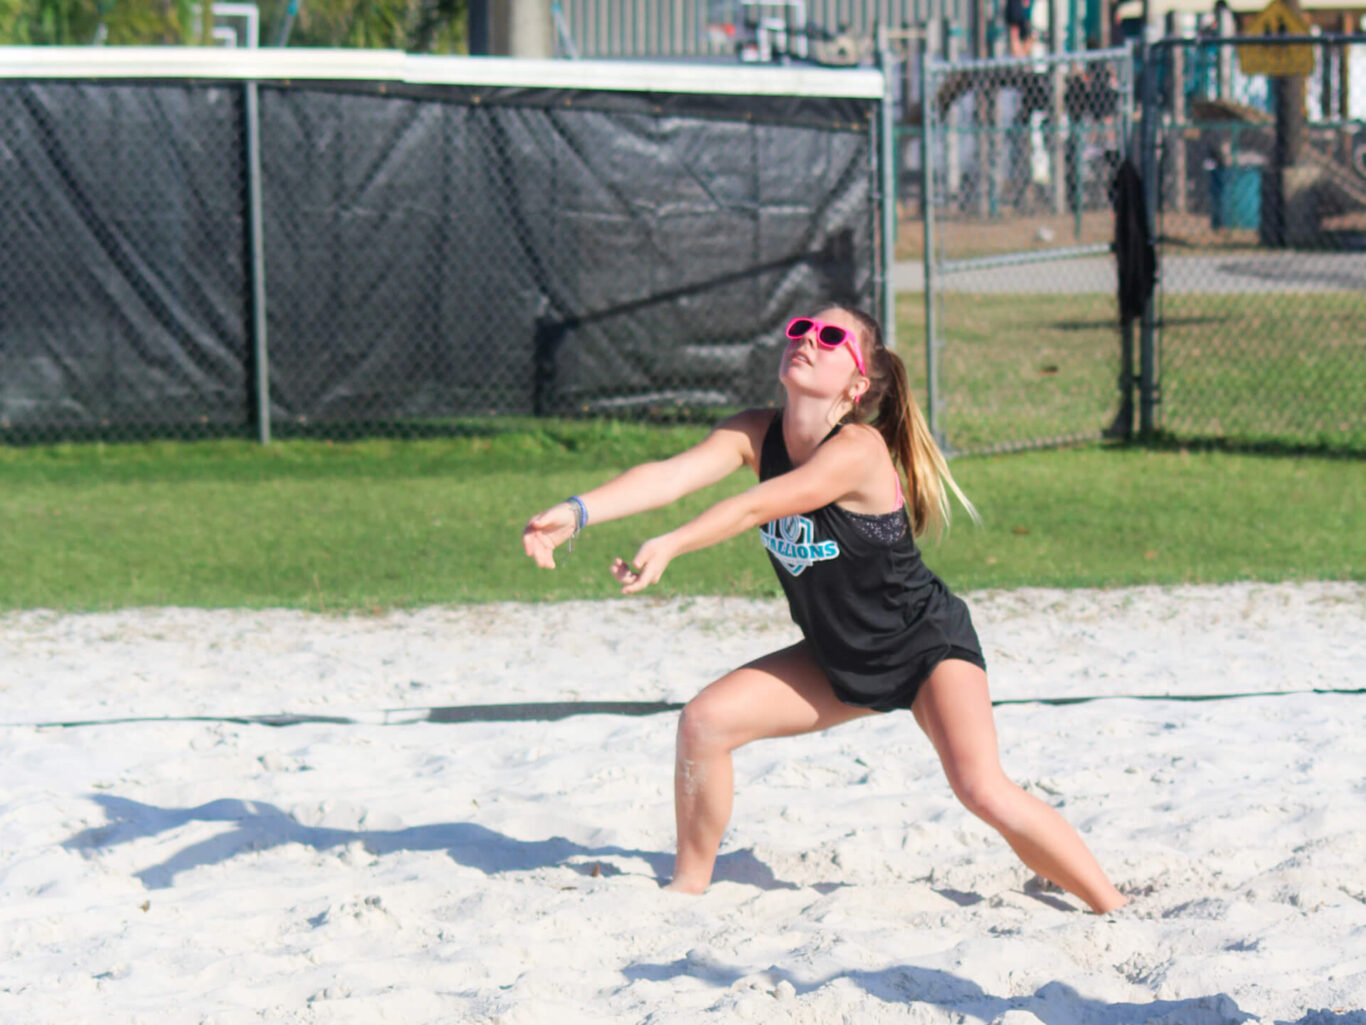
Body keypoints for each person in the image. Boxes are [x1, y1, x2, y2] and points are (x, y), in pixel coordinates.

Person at [521, 305, 1128, 914]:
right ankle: (686, 890)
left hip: (925, 646)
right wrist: (575, 512)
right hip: (838, 658)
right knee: (704, 724)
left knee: (981, 789)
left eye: (831, 337)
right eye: (801, 329)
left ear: (856, 384)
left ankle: (1112, 906)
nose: (809, 339)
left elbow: (757, 507)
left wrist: (673, 543)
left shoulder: (859, 450)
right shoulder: (754, 433)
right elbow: (666, 478)